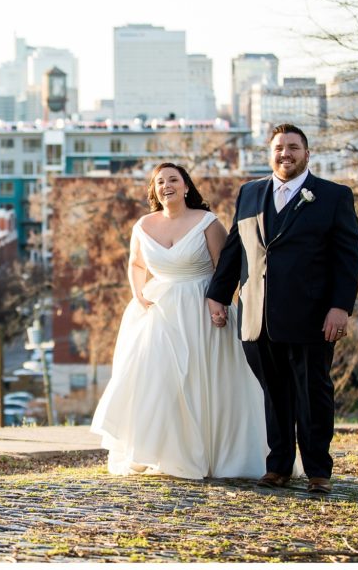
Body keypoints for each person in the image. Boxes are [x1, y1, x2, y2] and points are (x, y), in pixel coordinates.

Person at [206, 124, 358, 494]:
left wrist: (340, 308)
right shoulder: (249, 192)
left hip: (312, 317)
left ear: (307, 154)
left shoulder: (333, 196)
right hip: (256, 316)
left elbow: (347, 259)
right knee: (273, 395)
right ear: (270, 153)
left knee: (313, 393)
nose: (285, 153)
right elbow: (234, 249)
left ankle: (318, 471)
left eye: (293, 147)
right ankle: (277, 466)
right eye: (279, 147)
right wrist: (218, 295)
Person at [90, 162, 267, 479]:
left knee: (204, 382)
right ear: (154, 190)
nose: (166, 185)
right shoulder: (143, 226)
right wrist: (139, 294)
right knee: (158, 383)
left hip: (203, 311)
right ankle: (162, 452)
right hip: (158, 312)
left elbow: (224, 267)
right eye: (160, 182)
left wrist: (219, 303)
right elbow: (135, 264)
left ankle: (215, 456)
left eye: (173, 179)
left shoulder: (207, 222)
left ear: (186, 186)